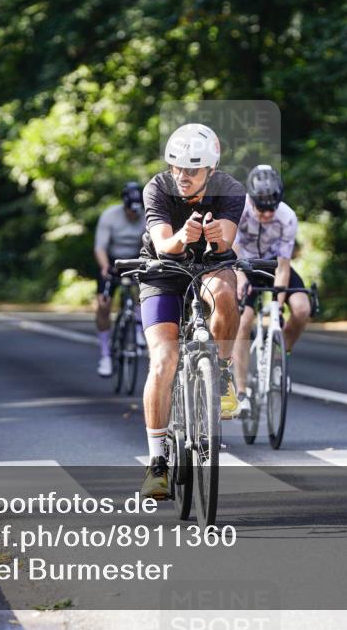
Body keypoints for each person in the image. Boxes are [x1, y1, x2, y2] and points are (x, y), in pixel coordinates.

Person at [137, 123, 246, 499]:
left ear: (210, 171)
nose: (182, 177)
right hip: (163, 271)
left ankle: (222, 370)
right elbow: (163, 242)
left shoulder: (230, 189)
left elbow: (227, 241)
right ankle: (157, 464)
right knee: (164, 359)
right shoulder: (158, 187)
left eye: (192, 170)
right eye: (176, 168)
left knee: (226, 292)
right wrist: (184, 236)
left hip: (209, 267)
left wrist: (216, 240)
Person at [231, 165, 312, 414]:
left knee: (301, 308)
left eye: (271, 208)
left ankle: (279, 358)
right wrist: (241, 276)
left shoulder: (287, 217)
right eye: (261, 208)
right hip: (242, 264)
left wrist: (278, 300)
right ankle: (241, 391)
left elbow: (284, 265)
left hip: (274, 266)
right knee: (243, 320)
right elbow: (229, 248)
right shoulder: (239, 209)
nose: (266, 214)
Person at [93, 181, 147, 377]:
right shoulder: (110, 216)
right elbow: (100, 247)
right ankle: (105, 355)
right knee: (104, 304)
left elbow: (149, 244)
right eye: (131, 211)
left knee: (147, 289)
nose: (134, 214)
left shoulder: (146, 217)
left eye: (138, 210)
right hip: (111, 260)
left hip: (136, 259)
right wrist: (105, 266)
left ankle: (140, 328)